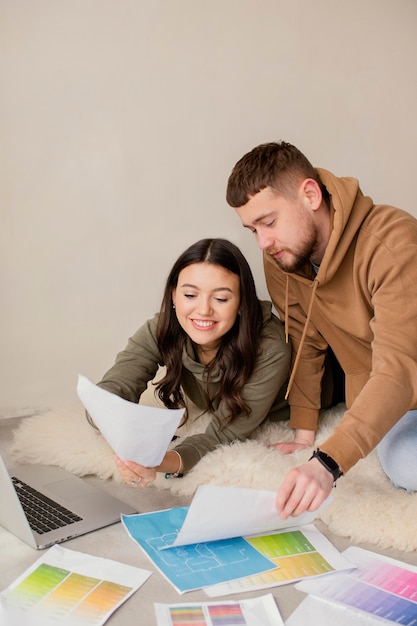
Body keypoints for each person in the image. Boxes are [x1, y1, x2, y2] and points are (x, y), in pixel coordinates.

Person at [226, 141, 417, 519]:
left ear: (310, 195)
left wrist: (327, 463)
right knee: (407, 465)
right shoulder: (282, 256)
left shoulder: (391, 241)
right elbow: (304, 339)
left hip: (401, 376)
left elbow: (399, 369)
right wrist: (303, 432)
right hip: (396, 403)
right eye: (253, 230)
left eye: (268, 222)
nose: (263, 242)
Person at [87, 237, 291, 487]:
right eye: (190, 295)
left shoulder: (270, 347)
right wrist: (109, 421)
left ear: (241, 303)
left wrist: (161, 462)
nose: (203, 310)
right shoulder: (161, 328)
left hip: (298, 406)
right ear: (174, 295)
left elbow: (224, 434)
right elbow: (114, 387)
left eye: (221, 299)